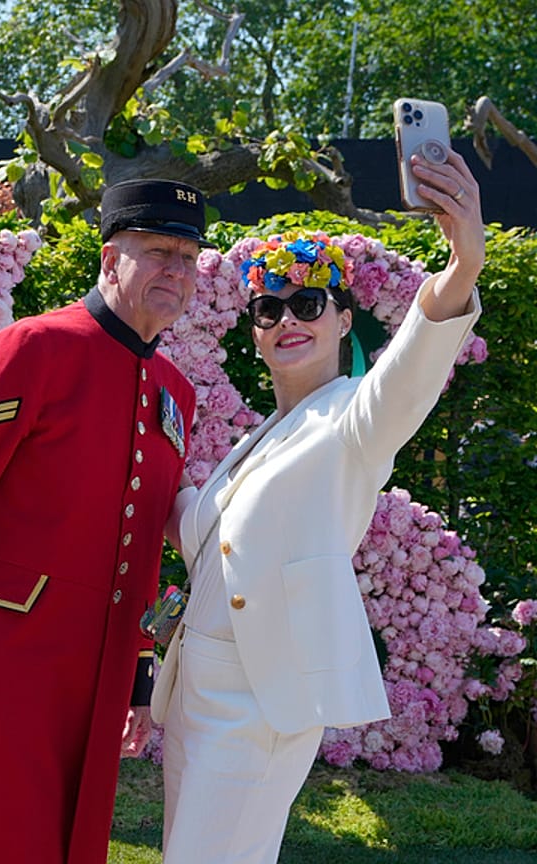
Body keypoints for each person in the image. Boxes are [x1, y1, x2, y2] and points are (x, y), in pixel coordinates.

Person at [153, 149, 485, 864]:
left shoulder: (355, 421)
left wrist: (462, 267)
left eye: (309, 304)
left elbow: (410, 373)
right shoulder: (255, 439)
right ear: (255, 334)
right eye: (270, 309)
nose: (287, 320)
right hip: (192, 701)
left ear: (343, 322)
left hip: (257, 703)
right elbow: (200, 532)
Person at [0, 179, 209, 864]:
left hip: (98, 672)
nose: (174, 272)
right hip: (1, 663)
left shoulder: (175, 392)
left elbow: (144, 548)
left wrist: (140, 679)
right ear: (108, 259)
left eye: (187, 257)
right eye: (157, 252)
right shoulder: (32, 348)